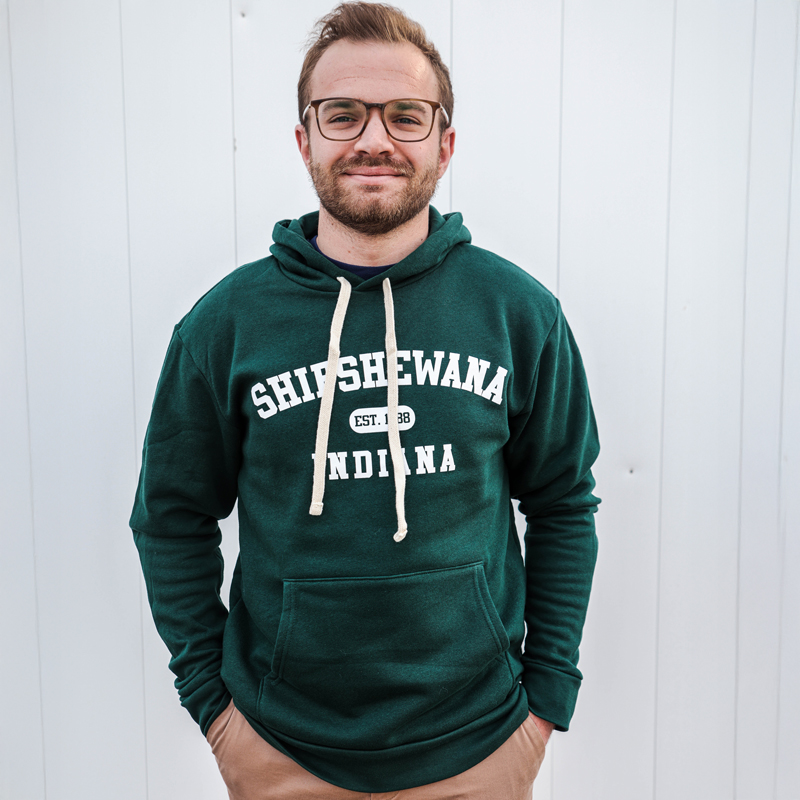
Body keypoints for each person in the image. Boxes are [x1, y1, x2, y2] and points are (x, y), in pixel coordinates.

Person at [130, 3, 600, 798]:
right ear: (305, 140)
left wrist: (547, 701)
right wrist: (215, 709)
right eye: (342, 114)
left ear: (444, 144)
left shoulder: (518, 315)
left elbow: (562, 504)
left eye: (405, 116)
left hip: (480, 747)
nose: (373, 139)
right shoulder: (226, 325)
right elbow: (170, 518)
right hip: (282, 753)